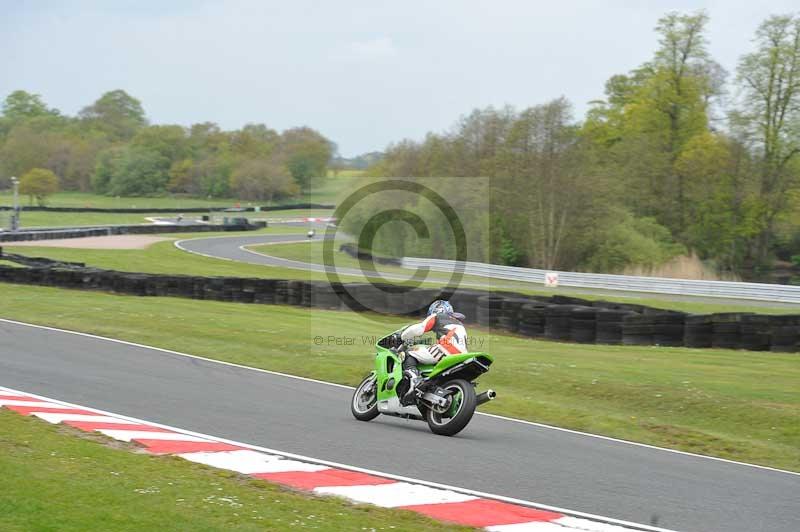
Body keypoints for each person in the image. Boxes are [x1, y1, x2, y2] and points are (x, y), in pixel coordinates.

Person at [398, 300, 468, 403]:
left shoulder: (437, 316)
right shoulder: (458, 323)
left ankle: (414, 380)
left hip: (446, 349)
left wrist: (402, 335)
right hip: (463, 356)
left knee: (409, 353)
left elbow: (419, 329)